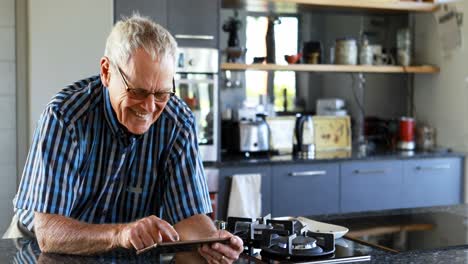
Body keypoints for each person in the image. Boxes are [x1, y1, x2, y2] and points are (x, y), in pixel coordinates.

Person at [11, 14, 243, 263]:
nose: (150, 107)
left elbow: (189, 215)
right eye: (138, 91)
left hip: (131, 251)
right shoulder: (65, 117)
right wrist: (120, 233)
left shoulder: (178, 123)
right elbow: (49, 233)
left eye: (162, 93)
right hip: (39, 248)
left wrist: (211, 242)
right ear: (106, 72)